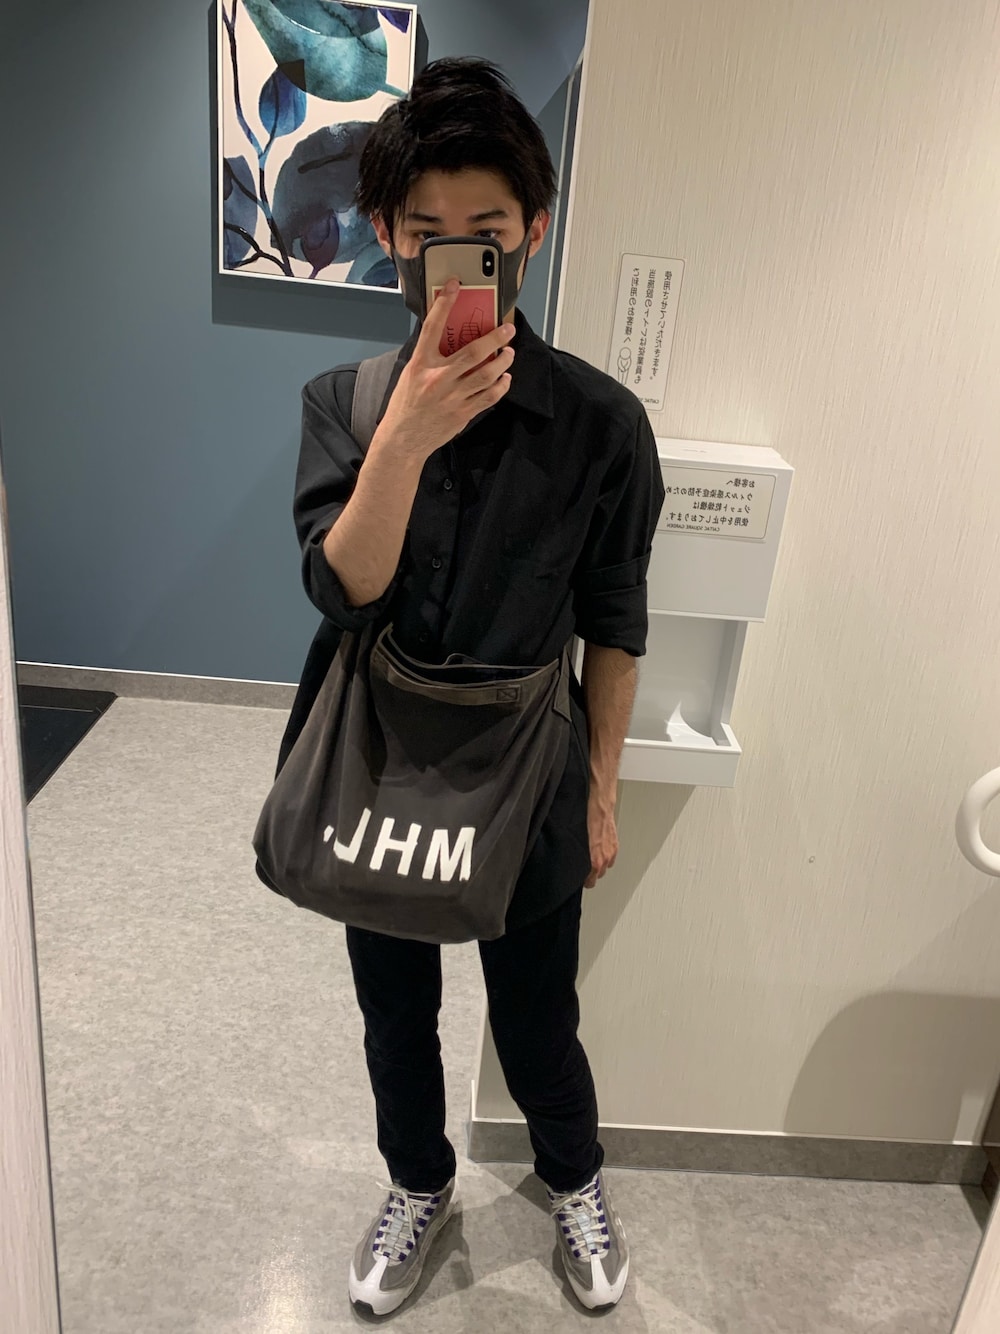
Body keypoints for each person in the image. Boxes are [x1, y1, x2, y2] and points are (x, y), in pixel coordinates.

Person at [272, 57, 664, 1316]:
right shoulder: (345, 403)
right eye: (425, 230)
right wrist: (405, 437)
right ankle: (419, 1180)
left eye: (484, 231)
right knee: (394, 1012)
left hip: (531, 769)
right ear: (388, 233)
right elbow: (343, 589)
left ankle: (574, 1178)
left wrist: (601, 788)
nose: (455, 260)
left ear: (532, 232)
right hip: (380, 757)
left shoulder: (601, 425)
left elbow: (613, 624)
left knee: (537, 1016)